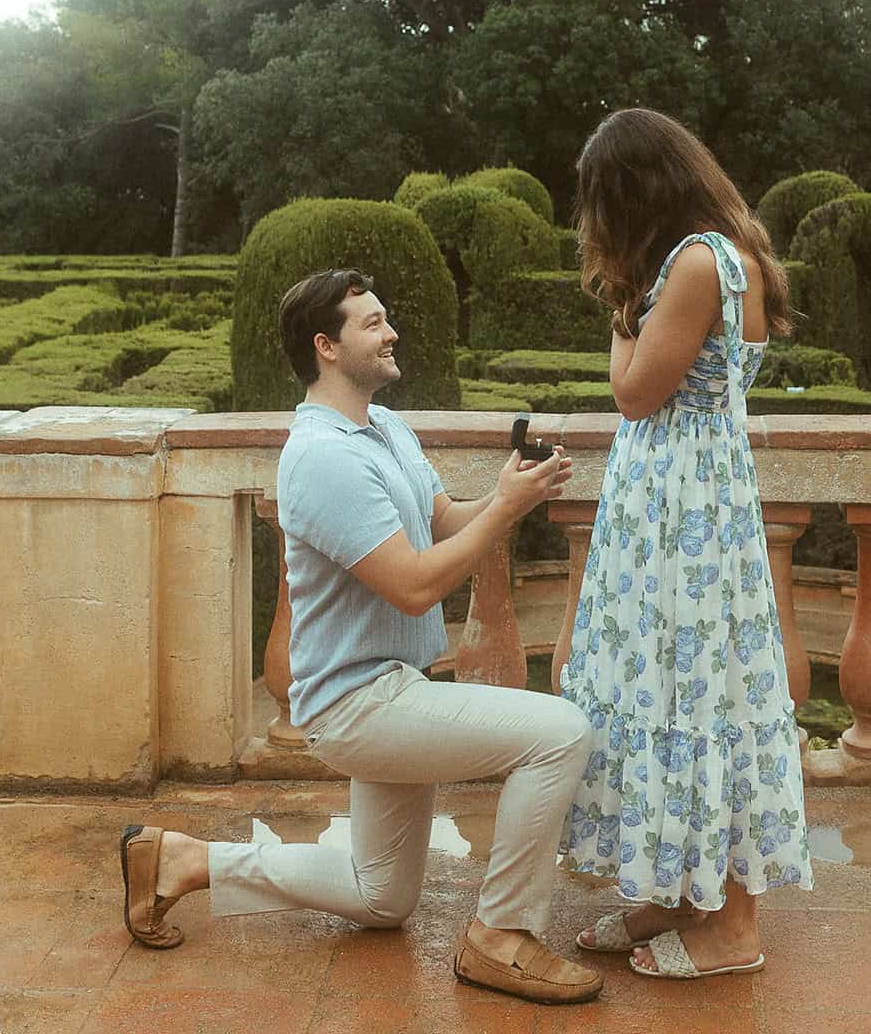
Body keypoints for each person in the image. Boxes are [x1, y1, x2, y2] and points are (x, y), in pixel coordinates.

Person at [120, 266, 602, 1007]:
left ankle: (181, 861)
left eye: (386, 318)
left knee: (381, 899)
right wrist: (505, 512)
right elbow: (413, 583)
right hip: (358, 703)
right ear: (327, 346)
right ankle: (502, 936)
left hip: (391, 688)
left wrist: (511, 491)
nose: (391, 332)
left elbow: (441, 521)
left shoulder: (384, 429)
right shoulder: (324, 457)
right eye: (372, 323)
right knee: (561, 733)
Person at [561, 109, 813, 980]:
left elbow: (633, 394)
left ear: (636, 193)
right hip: (678, 503)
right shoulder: (710, 253)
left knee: (704, 699)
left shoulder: (700, 262)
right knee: (670, 684)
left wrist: (622, 305)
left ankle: (733, 929)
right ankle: (672, 894)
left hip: (685, 511)